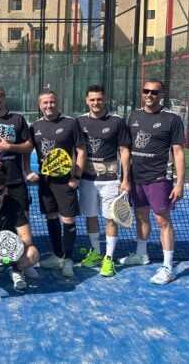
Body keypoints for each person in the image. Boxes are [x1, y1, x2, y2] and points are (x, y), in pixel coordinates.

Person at [120, 78, 185, 285]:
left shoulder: (172, 119)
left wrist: (180, 184)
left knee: (162, 221)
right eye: (146, 91)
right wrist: (125, 178)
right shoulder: (134, 116)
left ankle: (167, 267)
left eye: (154, 92)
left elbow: (178, 152)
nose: (149, 95)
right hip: (136, 178)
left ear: (162, 94)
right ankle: (141, 254)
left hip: (159, 178)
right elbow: (127, 149)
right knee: (141, 217)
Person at [0, 83, 39, 279]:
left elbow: (29, 146)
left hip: (16, 180)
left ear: (4, 97)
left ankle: (22, 264)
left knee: (22, 221)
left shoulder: (17, 119)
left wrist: (9, 147)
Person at [27, 90, 86, 278]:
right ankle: (58, 255)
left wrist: (76, 177)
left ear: (58, 103)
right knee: (51, 216)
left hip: (65, 181)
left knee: (68, 219)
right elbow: (27, 150)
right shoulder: (35, 126)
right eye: (45, 103)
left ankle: (68, 260)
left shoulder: (70, 123)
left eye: (52, 102)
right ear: (40, 105)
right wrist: (28, 171)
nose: (48, 105)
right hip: (45, 182)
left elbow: (81, 151)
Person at [76, 85, 131, 277]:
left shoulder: (116, 121)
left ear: (105, 99)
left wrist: (125, 178)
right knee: (90, 216)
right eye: (92, 99)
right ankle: (96, 253)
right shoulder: (79, 121)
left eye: (99, 99)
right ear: (86, 101)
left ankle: (108, 258)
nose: (95, 102)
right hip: (87, 180)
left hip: (110, 180)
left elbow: (124, 151)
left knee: (110, 218)